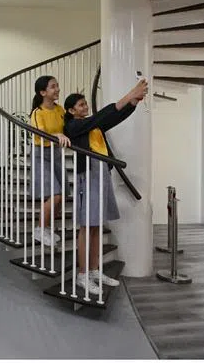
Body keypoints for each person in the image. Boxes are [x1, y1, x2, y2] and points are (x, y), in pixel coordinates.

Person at [62, 78, 149, 296]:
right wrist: (129, 95)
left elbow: (113, 117)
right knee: (86, 226)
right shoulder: (73, 126)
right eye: (81, 105)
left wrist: (133, 103)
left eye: (85, 103)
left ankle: (94, 270)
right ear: (71, 110)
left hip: (102, 173)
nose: (85, 107)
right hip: (88, 175)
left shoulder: (91, 123)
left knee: (97, 225)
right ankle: (82, 274)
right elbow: (103, 116)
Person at [29, 75, 71, 247]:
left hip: (56, 153)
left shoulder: (60, 109)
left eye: (57, 85)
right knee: (54, 196)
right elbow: (40, 133)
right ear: (43, 92)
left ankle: (47, 229)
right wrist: (58, 135)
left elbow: (69, 126)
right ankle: (39, 229)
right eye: (53, 87)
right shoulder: (37, 113)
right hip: (41, 154)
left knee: (61, 197)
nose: (57, 89)